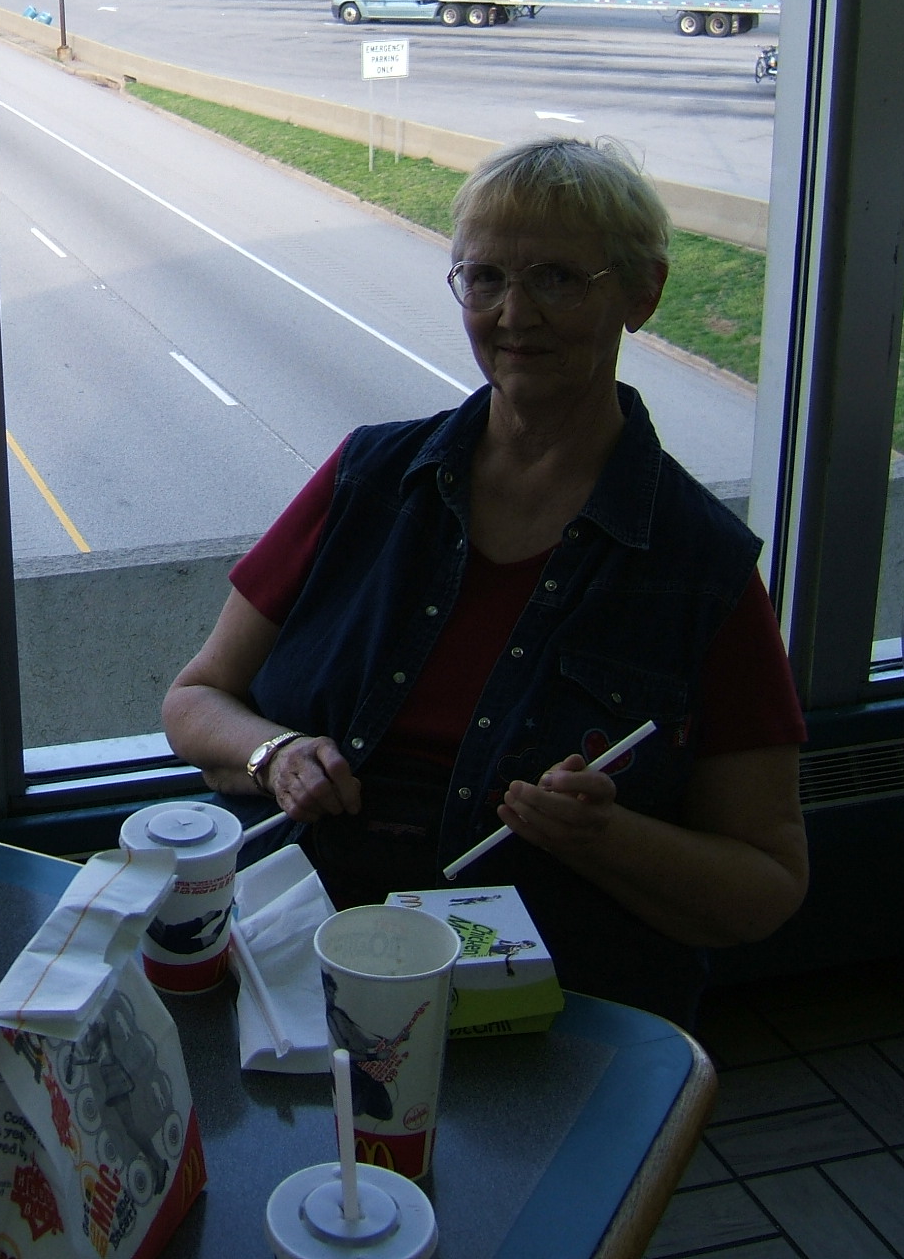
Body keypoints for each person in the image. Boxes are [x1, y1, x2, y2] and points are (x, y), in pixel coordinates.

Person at [163, 139, 808, 1026]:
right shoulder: (366, 478)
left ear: (642, 293)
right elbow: (197, 701)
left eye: (557, 278)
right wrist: (273, 755)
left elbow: (766, 887)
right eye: (485, 277)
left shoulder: (702, 566)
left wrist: (605, 836)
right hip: (297, 942)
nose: (514, 314)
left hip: (538, 992)